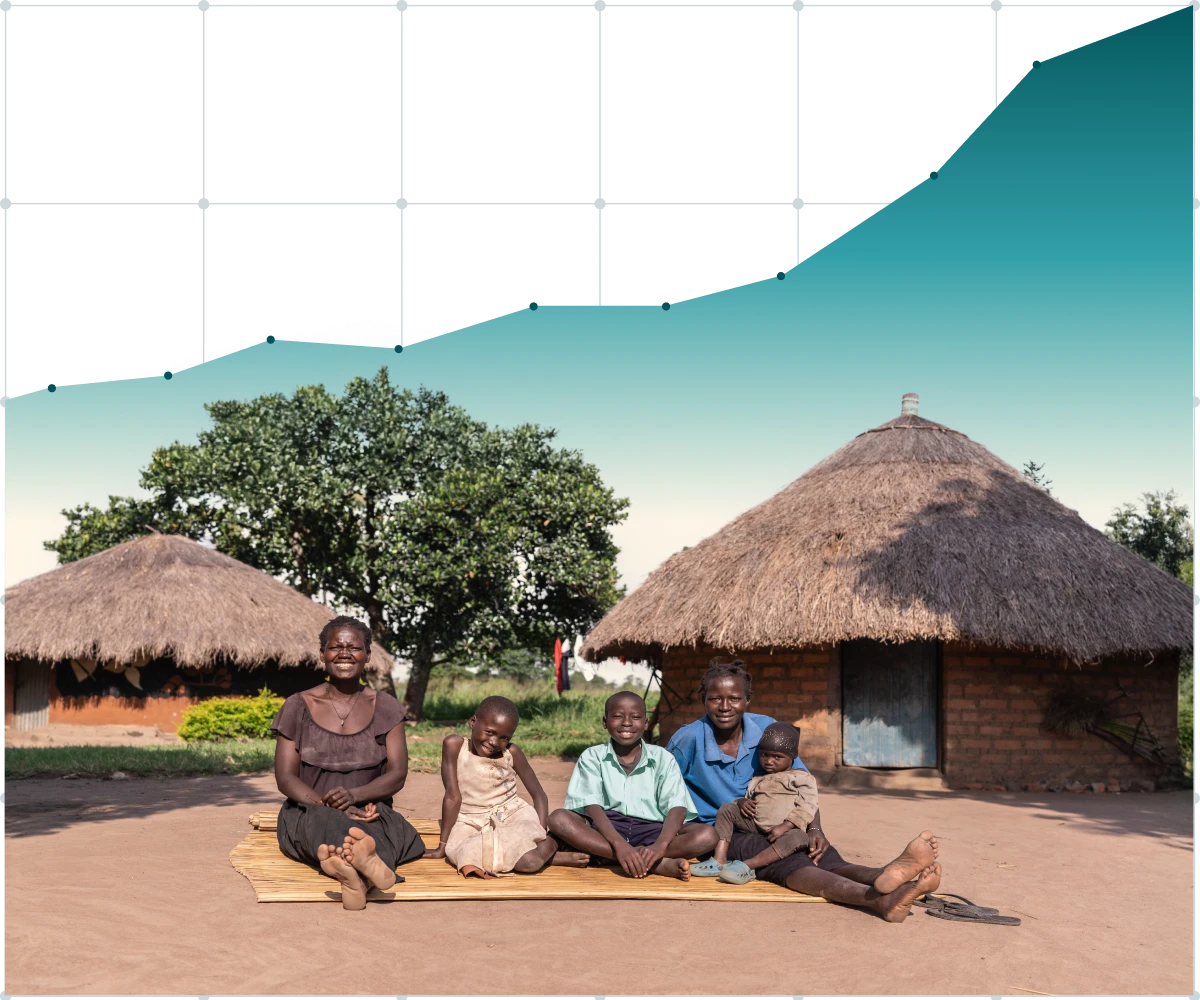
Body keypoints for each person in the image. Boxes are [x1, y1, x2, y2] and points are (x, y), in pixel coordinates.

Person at [667, 658, 942, 921]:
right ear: (704, 700)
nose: (725, 706)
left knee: (816, 851)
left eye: (735, 698)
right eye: (715, 698)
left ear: (747, 701)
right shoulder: (688, 739)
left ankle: (883, 874)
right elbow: (663, 786)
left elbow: (802, 784)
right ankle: (878, 900)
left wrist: (815, 829)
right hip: (725, 830)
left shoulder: (765, 728)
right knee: (783, 860)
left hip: (778, 821)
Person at [271, 616, 425, 910]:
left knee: (376, 828)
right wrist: (331, 804)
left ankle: (355, 878)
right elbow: (285, 778)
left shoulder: (386, 706)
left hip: (371, 810)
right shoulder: (297, 706)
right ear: (322, 655)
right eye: (335, 647)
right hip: (309, 810)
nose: (344, 653)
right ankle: (366, 872)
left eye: (354, 647)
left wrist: (357, 797)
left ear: (367, 655)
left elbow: (397, 773)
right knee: (336, 825)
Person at [548, 691, 717, 881]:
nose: (626, 722)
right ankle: (650, 863)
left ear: (646, 724)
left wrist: (660, 846)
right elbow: (591, 806)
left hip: (653, 830)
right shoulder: (592, 756)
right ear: (605, 722)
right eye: (618, 716)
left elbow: (677, 807)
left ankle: (623, 858)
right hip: (606, 829)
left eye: (635, 717)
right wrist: (620, 847)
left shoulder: (662, 758)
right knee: (559, 819)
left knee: (706, 835)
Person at [423, 696, 566, 877]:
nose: (495, 742)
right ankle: (550, 856)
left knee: (528, 863)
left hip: (512, 815)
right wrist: (442, 847)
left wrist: (541, 832)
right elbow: (453, 796)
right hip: (470, 821)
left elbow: (538, 794)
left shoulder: (511, 753)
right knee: (461, 851)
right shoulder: (454, 746)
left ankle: (550, 843)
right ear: (473, 722)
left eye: (504, 738)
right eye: (490, 732)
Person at [703, 721, 818, 884]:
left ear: (792, 756)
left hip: (784, 829)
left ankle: (748, 866)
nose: (769, 761)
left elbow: (808, 805)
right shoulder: (758, 779)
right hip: (754, 824)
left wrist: (786, 826)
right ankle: (719, 859)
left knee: (800, 838)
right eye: (764, 754)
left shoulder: (801, 777)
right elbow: (748, 799)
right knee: (727, 809)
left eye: (777, 757)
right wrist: (742, 802)